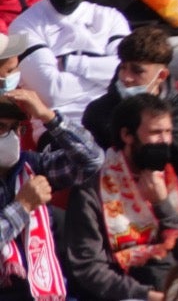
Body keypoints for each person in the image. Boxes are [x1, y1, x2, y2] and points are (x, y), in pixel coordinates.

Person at [63, 92, 178, 301]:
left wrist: (162, 204)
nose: (165, 140)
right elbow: (87, 267)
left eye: (168, 132)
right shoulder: (91, 190)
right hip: (122, 294)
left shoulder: (176, 181)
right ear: (127, 135)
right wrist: (148, 296)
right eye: (156, 132)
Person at [0, 55, 103, 301]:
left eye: (17, 128)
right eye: (2, 127)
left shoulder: (32, 166)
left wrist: (50, 118)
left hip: (45, 291)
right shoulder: (30, 188)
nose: (12, 135)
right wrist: (23, 206)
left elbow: (91, 160)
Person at [81, 23, 178, 179]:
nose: (126, 78)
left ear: (161, 76)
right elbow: (86, 169)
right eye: (123, 68)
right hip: (113, 197)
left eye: (137, 71)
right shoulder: (98, 111)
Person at [9, 0, 127, 124]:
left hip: (115, 124)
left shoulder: (112, 18)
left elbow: (128, 75)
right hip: (59, 127)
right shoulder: (20, 27)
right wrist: (104, 77)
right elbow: (51, 93)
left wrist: (68, 63)